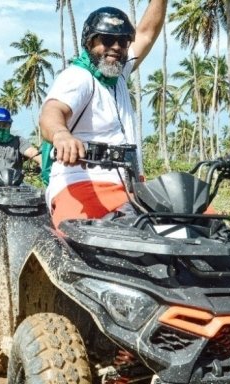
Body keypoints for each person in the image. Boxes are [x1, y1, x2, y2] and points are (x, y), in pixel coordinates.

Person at [39, 2, 167, 229]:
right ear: (90, 42)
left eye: (123, 41)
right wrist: (61, 135)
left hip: (131, 188)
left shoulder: (118, 72)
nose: (116, 47)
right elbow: (52, 110)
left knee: (197, 222)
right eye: (107, 40)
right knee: (79, 243)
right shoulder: (79, 77)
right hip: (81, 183)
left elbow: (147, 33)